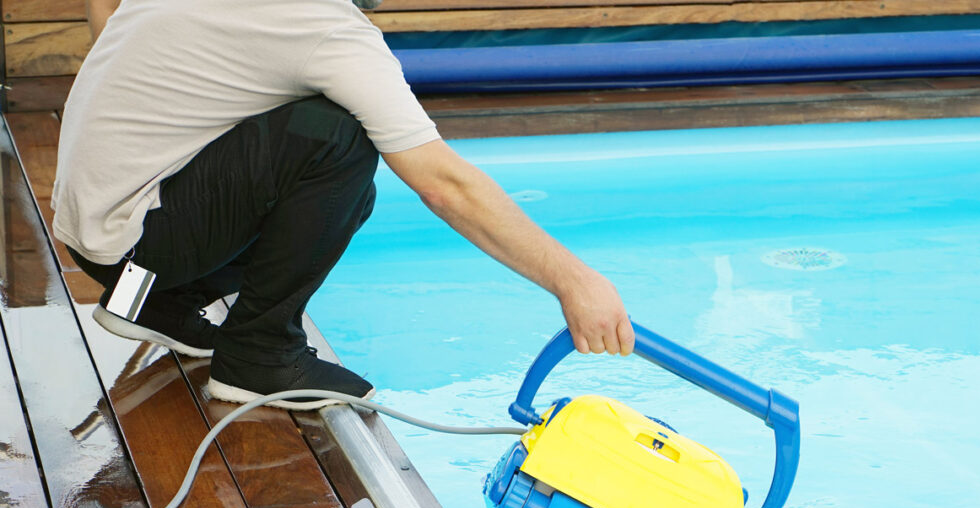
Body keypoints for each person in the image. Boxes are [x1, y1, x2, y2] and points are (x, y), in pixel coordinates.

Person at [55, 0, 634, 410]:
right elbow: (442, 184)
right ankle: (259, 356)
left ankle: (159, 305)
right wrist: (574, 281)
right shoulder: (323, 27)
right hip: (141, 237)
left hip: (95, 241)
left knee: (327, 168)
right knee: (339, 140)